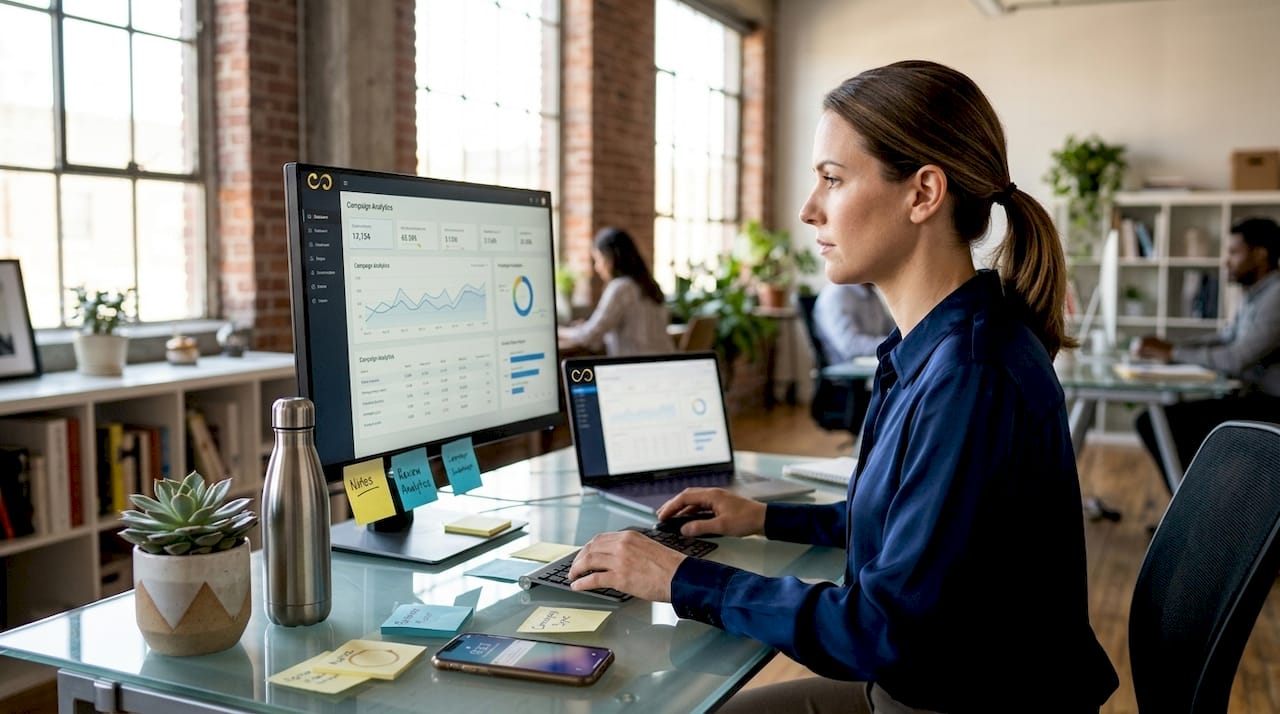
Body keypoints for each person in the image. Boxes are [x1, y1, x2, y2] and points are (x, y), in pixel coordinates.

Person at [566, 60, 1117, 713]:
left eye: (832, 179)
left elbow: (884, 631)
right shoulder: (936, 348)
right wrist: (766, 518)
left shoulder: (969, 377)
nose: (807, 210)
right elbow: (915, 532)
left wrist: (684, 578)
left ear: (922, 194)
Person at [1132, 216, 1280, 492]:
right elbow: (1224, 338)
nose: (1226, 262)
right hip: (1252, 398)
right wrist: (1170, 346)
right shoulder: (1258, 294)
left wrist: (1173, 352)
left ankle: (1194, 514)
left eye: (1234, 253)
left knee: (1157, 422)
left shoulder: (1276, 296)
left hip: (1269, 406)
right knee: (1164, 422)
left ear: (1260, 254)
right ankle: (1196, 512)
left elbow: (1236, 358)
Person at [557, 227, 672, 356]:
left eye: (598, 260)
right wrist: (584, 328)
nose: (597, 267)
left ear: (610, 259)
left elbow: (590, 336)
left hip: (636, 369)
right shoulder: (650, 285)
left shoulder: (621, 288)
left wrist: (560, 331)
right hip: (664, 364)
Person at [813, 282, 894, 364]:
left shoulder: (871, 293)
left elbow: (890, 328)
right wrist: (895, 342)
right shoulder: (836, 294)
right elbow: (851, 346)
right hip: (848, 368)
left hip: (877, 361)